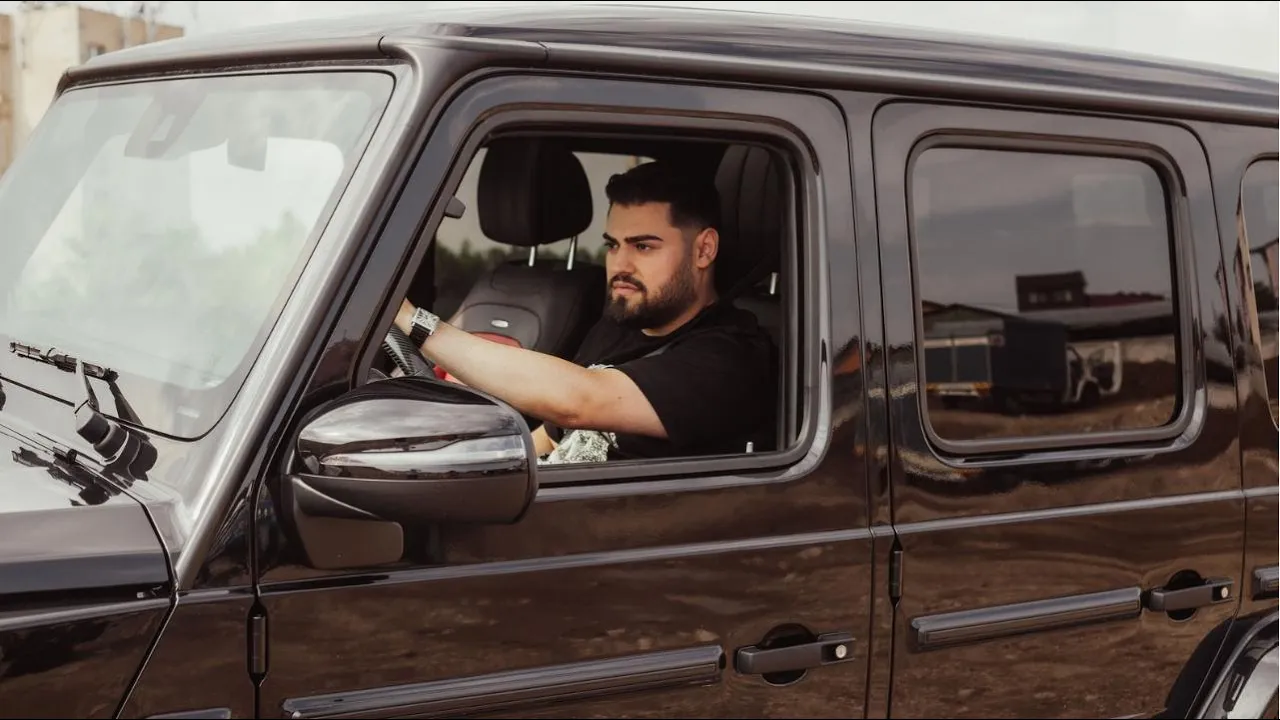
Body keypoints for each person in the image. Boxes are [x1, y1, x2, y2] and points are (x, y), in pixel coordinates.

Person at [394, 160, 776, 464]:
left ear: (704, 250)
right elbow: (553, 435)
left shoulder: (731, 359)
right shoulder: (623, 323)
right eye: (613, 245)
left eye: (643, 247)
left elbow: (580, 402)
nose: (620, 265)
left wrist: (415, 322)